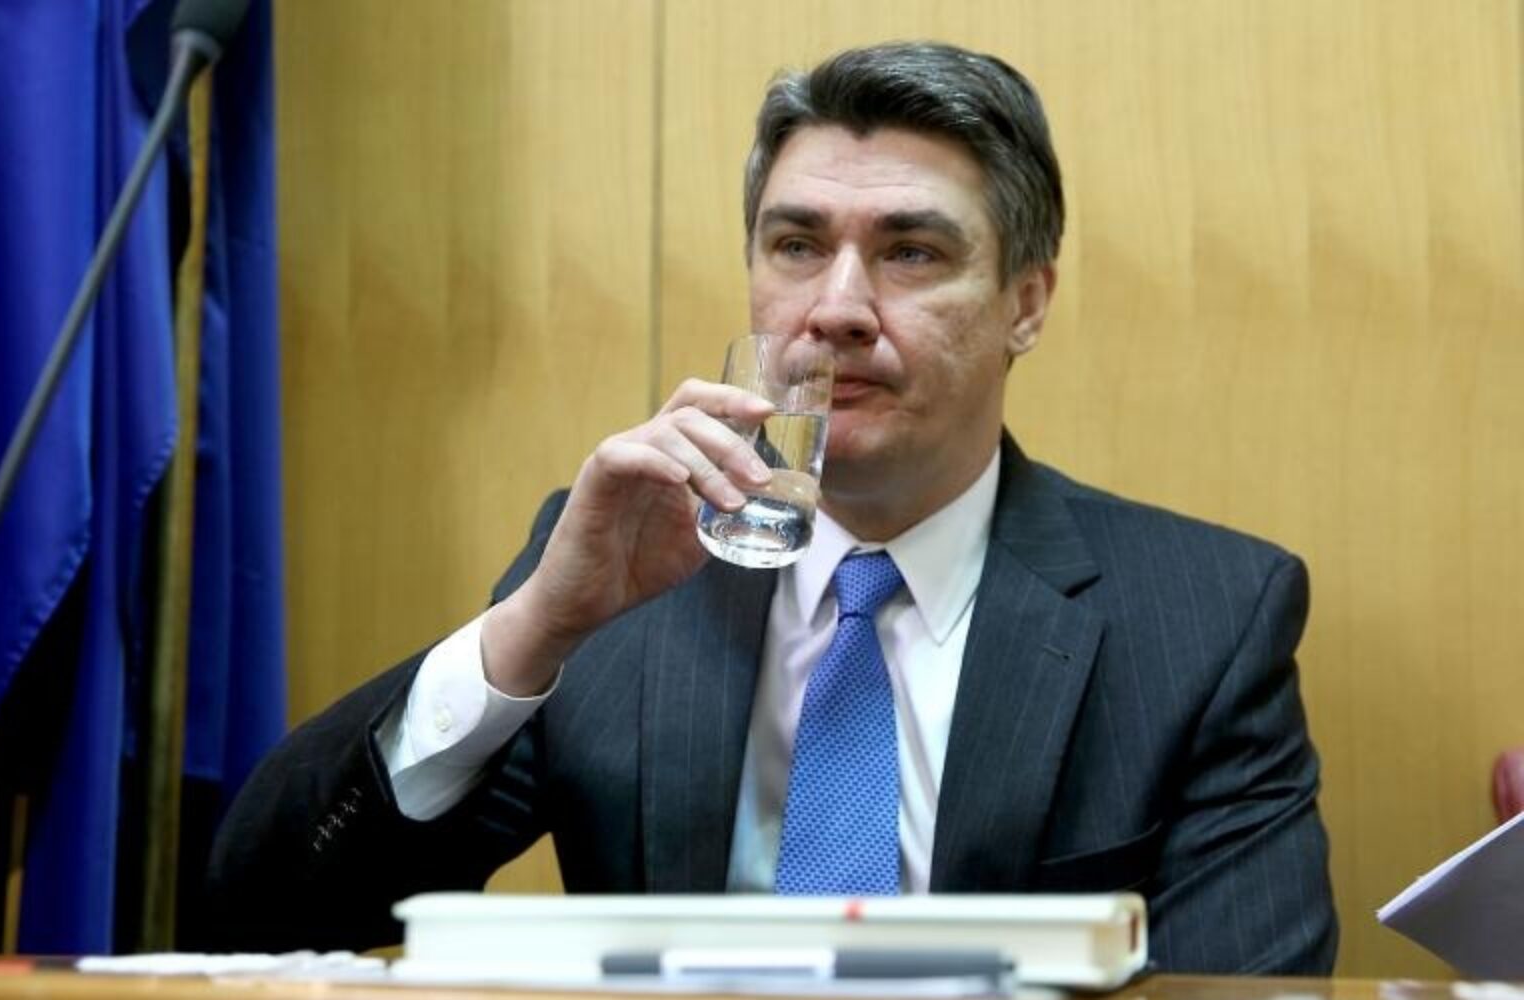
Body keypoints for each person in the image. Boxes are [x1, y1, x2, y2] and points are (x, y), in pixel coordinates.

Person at [205, 41, 1338, 973]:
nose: (837, 308)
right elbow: (265, 910)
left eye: (910, 252)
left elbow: (1250, 982)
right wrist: (535, 628)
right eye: (796, 245)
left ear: (1025, 303)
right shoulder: (620, 570)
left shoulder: (1203, 618)